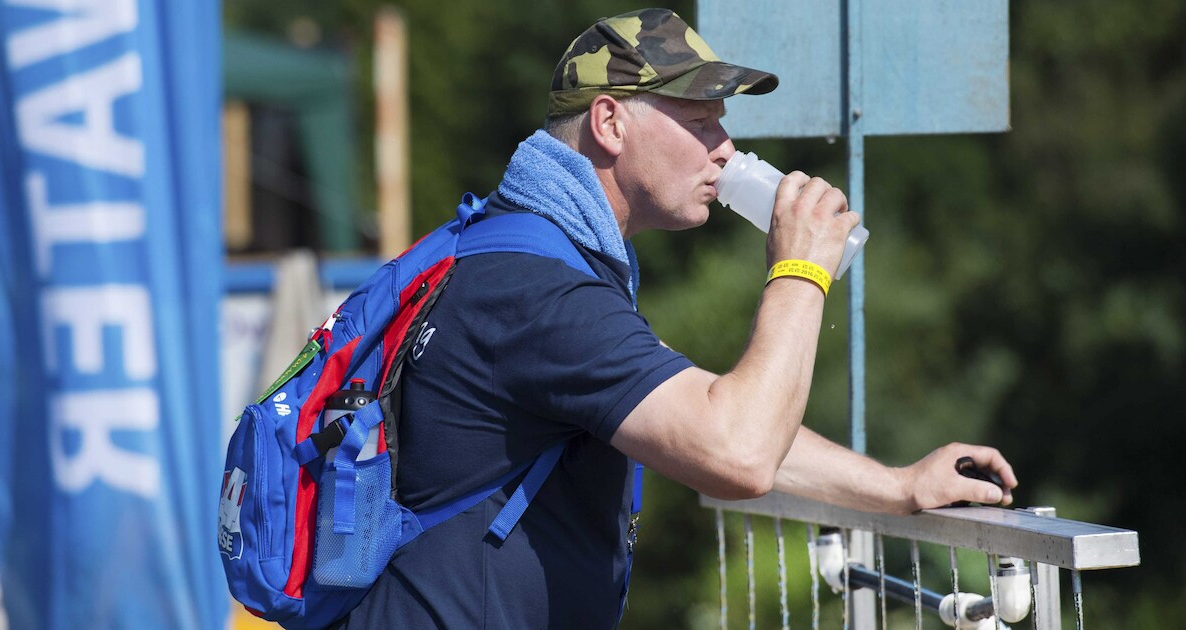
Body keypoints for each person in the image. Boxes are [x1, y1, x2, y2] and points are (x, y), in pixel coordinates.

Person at [335, 8, 1017, 629]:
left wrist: (898, 488)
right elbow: (739, 452)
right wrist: (800, 270)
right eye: (699, 123)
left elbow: (702, 414)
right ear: (609, 123)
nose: (725, 148)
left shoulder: (524, 253)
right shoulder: (538, 296)